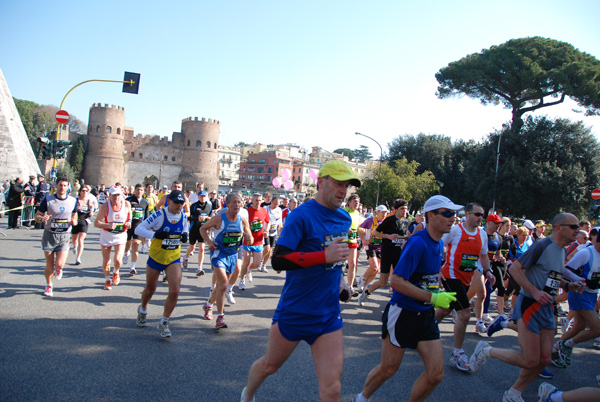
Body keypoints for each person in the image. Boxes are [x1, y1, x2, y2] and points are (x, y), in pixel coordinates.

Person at [240, 160, 359, 402]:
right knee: (270, 366)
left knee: (333, 389)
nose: (342, 191)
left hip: (328, 315)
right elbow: (279, 260)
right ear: (320, 182)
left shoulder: (344, 220)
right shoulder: (301, 216)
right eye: (338, 183)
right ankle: (248, 394)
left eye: (346, 186)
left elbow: (333, 263)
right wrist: (323, 256)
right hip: (296, 311)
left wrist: (341, 285)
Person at [353, 195, 462, 402]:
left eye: (454, 214)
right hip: (403, 313)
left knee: (436, 373)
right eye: (447, 213)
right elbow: (396, 282)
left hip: (425, 315)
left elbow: (424, 278)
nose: (453, 218)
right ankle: (361, 398)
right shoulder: (418, 243)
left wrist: (436, 292)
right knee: (388, 369)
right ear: (430, 215)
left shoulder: (438, 244)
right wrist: (432, 297)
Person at [468, 213, 584, 402]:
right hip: (530, 303)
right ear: (559, 228)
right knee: (531, 359)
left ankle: (513, 393)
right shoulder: (542, 245)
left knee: (545, 359)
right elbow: (515, 269)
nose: (577, 230)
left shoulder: (563, 249)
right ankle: (486, 351)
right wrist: (535, 292)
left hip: (547, 307)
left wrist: (568, 286)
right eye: (573, 227)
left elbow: (551, 275)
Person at [435, 202, 494, 371]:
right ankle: (458, 353)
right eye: (477, 214)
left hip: (466, 278)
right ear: (467, 214)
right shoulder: (455, 230)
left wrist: (488, 271)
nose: (480, 218)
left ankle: (425, 329)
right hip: (450, 275)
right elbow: (439, 245)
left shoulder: (482, 234)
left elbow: (483, 256)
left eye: (482, 215)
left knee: (446, 308)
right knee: (465, 313)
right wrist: (437, 268)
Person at [134, 190, 189, 338]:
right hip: (156, 257)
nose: (179, 206)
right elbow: (138, 229)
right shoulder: (159, 215)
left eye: (181, 203)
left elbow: (185, 228)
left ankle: (164, 321)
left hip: (173, 258)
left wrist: (185, 235)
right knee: (150, 289)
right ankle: (143, 309)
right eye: (176, 202)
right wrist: (155, 234)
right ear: (168, 202)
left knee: (175, 291)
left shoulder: (183, 216)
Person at [200, 192, 252, 328]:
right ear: (227, 204)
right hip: (218, 254)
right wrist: (209, 242)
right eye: (233, 202)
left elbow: (250, 239)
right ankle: (220, 318)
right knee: (223, 284)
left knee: (221, 287)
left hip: (233, 255)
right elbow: (203, 228)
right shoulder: (219, 219)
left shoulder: (243, 220)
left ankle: (208, 304)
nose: (236, 204)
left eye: (239, 202)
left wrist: (248, 237)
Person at [551, 234, 600, 368]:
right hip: (579, 293)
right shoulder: (586, 253)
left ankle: (555, 351)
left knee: (578, 327)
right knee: (597, 329)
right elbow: (566, 270)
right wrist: (582, 281)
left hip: (592, 295)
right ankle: (567, 345)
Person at [358, 199, 410, 306]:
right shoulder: (389, 220)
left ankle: (396, 303)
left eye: (406, 209)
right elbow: (375, 232)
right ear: (395, 210)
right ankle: (366, 293)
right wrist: (388, 236)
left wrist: (407, 238)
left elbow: (406, 237)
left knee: (398, 281)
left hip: (399, 254)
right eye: (402, 209)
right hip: (387, 253)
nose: (404, 211)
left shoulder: (407, 222)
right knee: (383, 282)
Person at [34, 177, 78, 297]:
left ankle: (59, 269)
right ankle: (49, 285)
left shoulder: (73, 201)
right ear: (56, 186)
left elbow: (75, 216)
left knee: (59, 264)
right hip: (49, 234)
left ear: (68, 187)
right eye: (60, 185)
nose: (62, 188)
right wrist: (41, 219)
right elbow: (37, 216)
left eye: (65, 185)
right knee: (49, 265)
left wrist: (74, 221)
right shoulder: (48, 200)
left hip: (64, 235)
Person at [94, 186, 132, 290]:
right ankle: (107, 279)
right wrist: (107, 225)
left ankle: (116, 272)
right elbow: (96, 223)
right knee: (106, 261)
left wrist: (129, 222)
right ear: (109, 196)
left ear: (121, 195)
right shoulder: (106, 206)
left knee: (118, 261)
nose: (116, 197)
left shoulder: (126, 204)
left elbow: (129, 215)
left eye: (118, 195)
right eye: (113, 195)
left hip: (120, 235)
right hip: (107, 236)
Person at [356, 205, 387, 305]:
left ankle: (365, 285)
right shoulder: (370, 220)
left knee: (376, 270)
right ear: (377, 212)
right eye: (382, 212)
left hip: (380, 248)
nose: (384, 214)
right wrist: (363, 239)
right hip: (371, 246)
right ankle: (362, 278)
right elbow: (359, 228)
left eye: (385, 212)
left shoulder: (386, 221)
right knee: (374, 267)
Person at [238, 193, 269, 290]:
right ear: (252, 200)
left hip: (258, 241)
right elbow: (241, 223)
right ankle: (242, 280)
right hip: (247, 241)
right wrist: (244, 232)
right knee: (246, 261)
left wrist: (266, 230)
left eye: (260, 200)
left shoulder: (264, 211)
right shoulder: (247, 212)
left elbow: (268, 221)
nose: (258, 202)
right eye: (256, 200)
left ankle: (249, 270)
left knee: (256, 264)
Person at [183, 190, 212, 276]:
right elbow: (188, 218)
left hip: (203, 230)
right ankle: (186, 257)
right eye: (201, 196)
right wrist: (197, 218)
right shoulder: (194, 206)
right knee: (192, 247)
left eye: (204, 196)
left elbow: (210, 217)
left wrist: (208, 219)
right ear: (198, 197)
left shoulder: (209, 206)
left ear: (206, 197)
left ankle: (199, 268)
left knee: (202, 248)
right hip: (194, 229)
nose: (202, 198)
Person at [123, 184, 150, 276]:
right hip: (128, 226)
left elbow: (146, 216)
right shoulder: (128, 200)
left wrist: (147, 227)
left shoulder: (145, 202)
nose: (139, 192)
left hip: (138, 226)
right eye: (138, 190)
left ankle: (132, 267)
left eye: (141, 190)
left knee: (135, 245)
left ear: (143, 191)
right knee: (128, 243)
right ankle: (126, 252)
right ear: (134, 191)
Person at [344, 193, 363, 296]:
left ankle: (350, 287)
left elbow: (359, 227)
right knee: (337, 264)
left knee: (353, 263)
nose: (357, 204)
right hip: (343, 240)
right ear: (349, 202)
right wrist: (346, 228)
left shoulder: (358, 214)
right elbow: (338, 223)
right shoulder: (344, 212)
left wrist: (363, 232)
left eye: (358, 202)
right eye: (355, 201)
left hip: (353, 240)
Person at [71, 185, 95, 265]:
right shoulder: (75, 201)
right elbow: (71, 210)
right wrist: (76, 209)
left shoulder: (89, 201)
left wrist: (91, 212)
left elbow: (92, 208)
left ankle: (78, 258)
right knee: (74, 240)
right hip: (76, 221)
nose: (84, 192)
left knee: (81, 240)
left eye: (86, 191)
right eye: (83, 191)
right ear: (80, 192)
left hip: (84, 221)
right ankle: (75, 246)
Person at [259, 195, 283, 273]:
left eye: (277, 204)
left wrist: (280, 227)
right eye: (275, 204)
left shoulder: (279, 210)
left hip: (273, 232)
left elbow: (279, 221)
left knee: (270, 251)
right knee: (267, 248)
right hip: (266, 231)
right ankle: (259, 261)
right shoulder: (265, 209)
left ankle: (263, 265)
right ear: (271, 202)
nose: (276, 206)